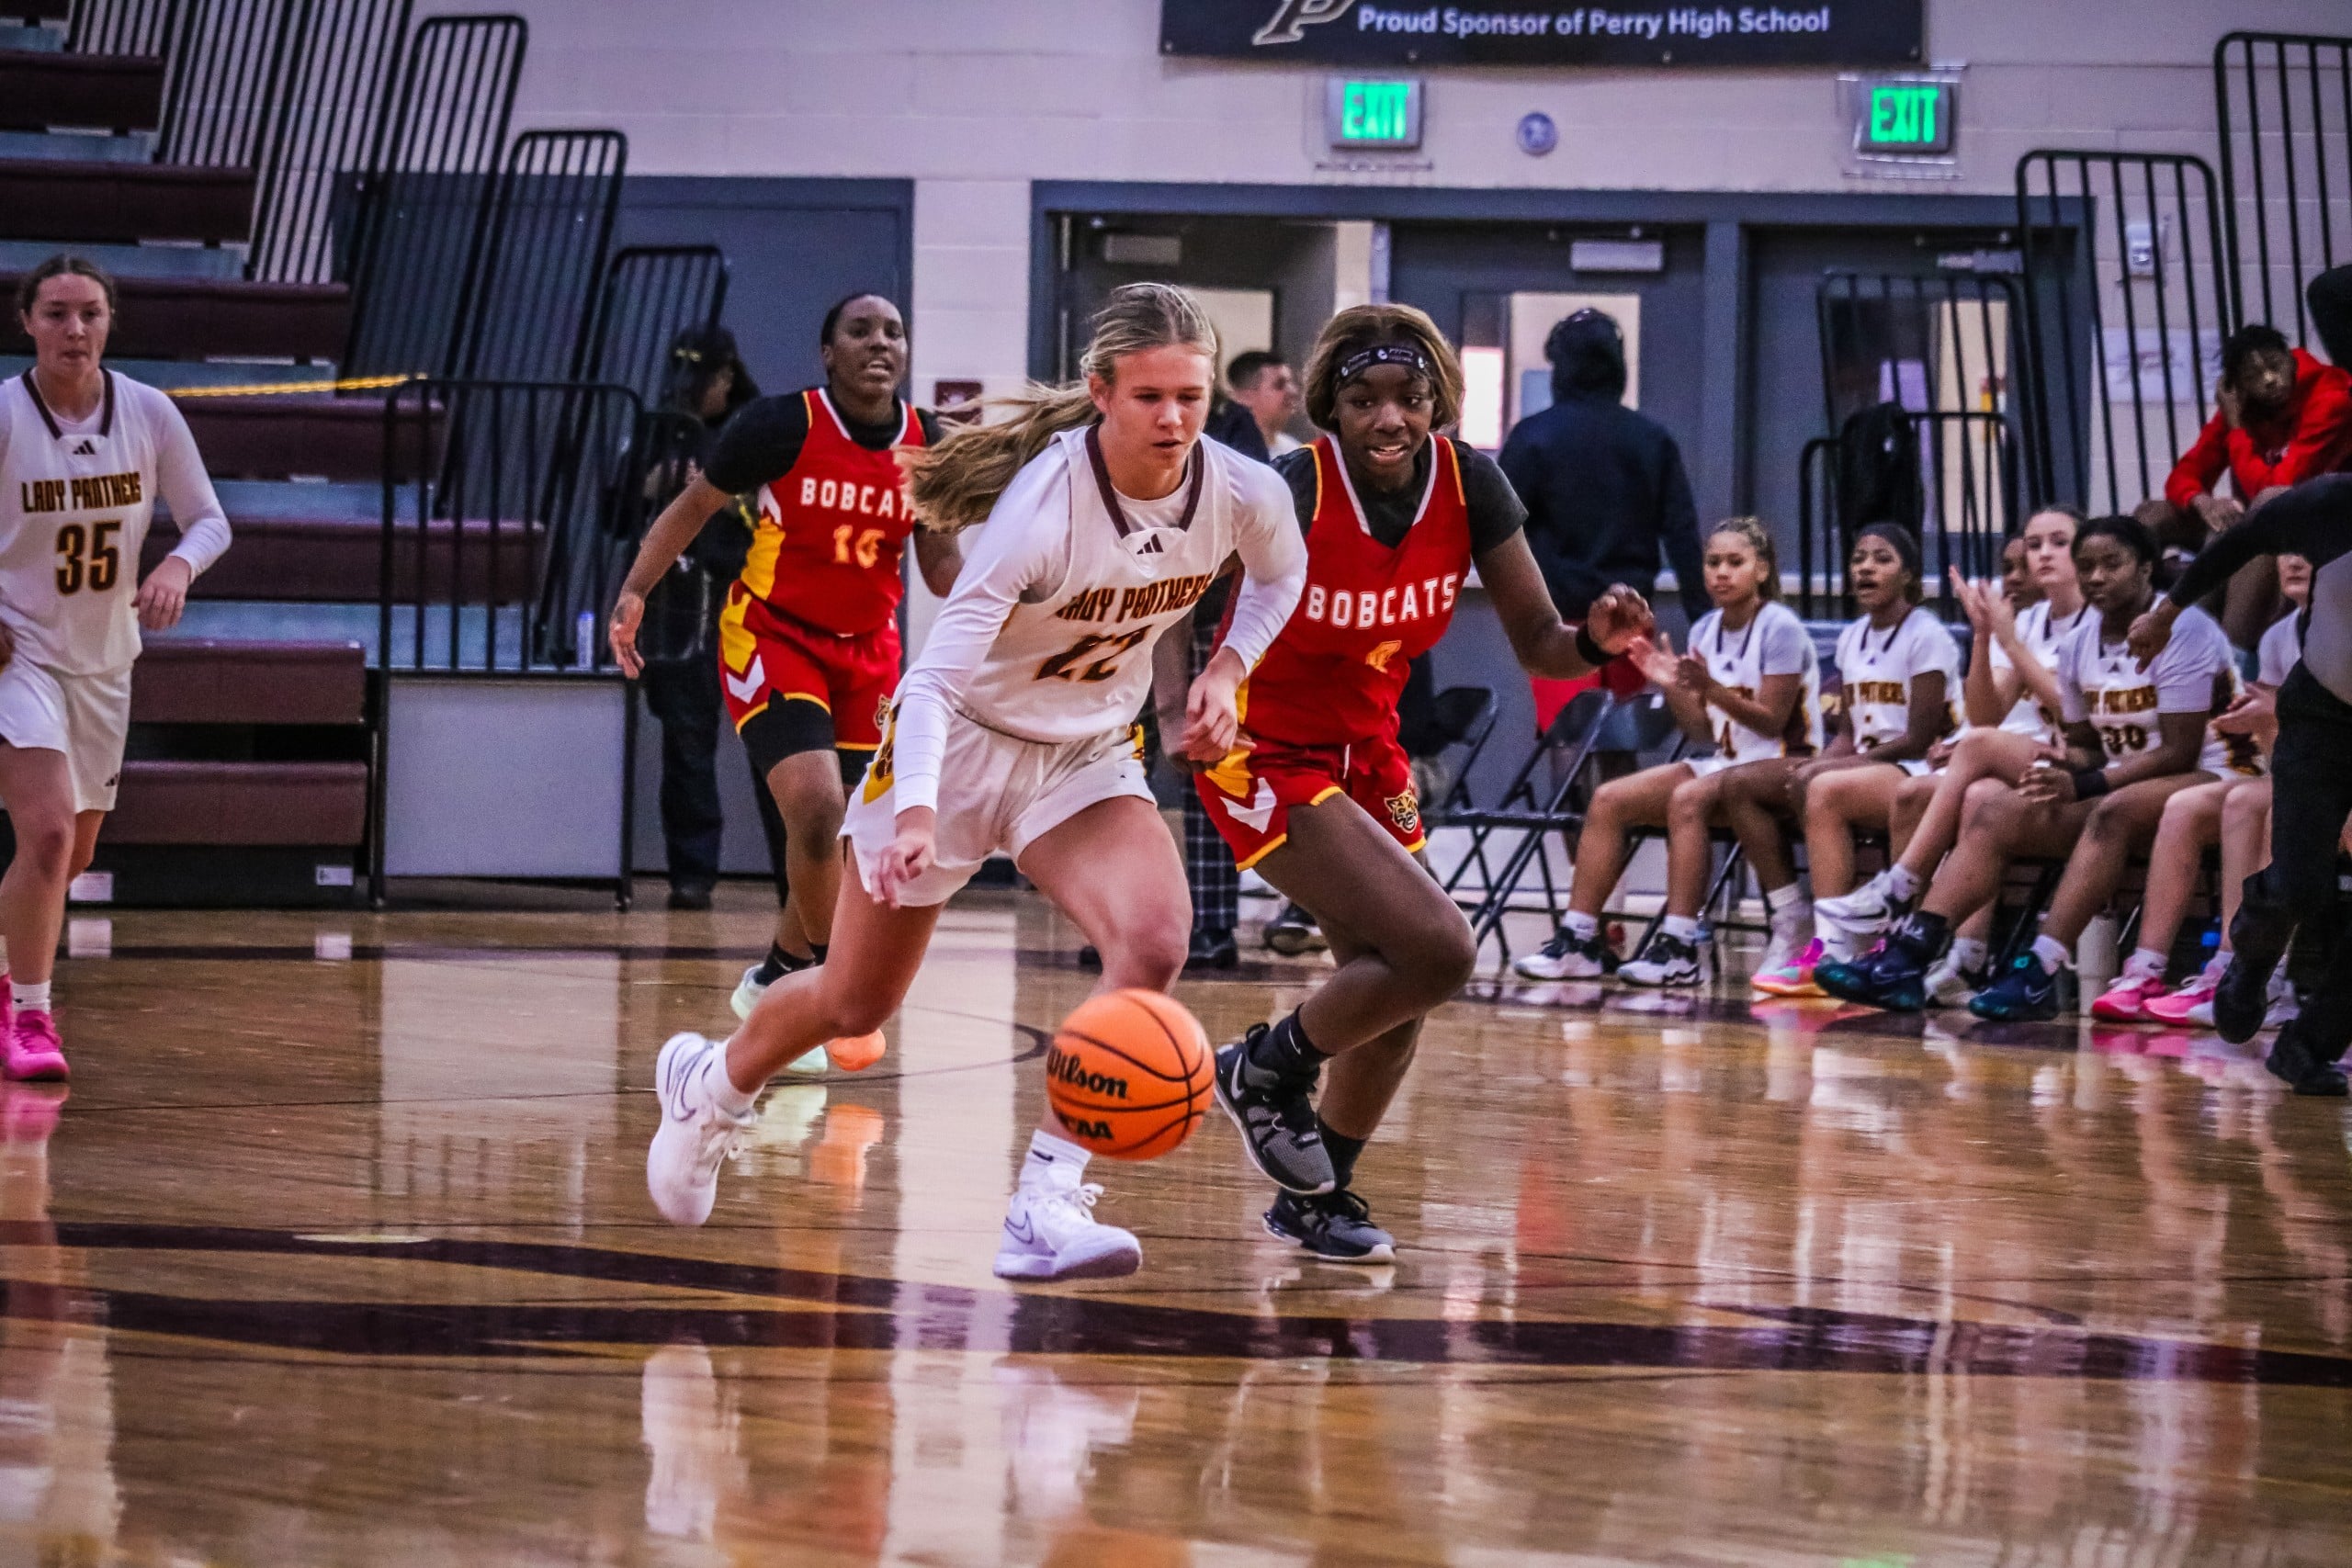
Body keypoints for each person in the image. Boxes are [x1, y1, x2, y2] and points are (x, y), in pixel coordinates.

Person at [641, 283, 1308, 1280]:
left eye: (1191, 397)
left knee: (1155, 938)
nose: (1174, 420)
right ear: (1100, 392)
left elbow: (1281, 573)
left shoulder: (1242, 489)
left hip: (1082, 754)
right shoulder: (1043, 506)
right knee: (853, 1004)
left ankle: (1042, 1202)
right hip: (957, 747)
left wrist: (1224, 672)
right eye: (1149, 397)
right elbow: (933, 681)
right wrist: (914, 810)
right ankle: (712, 1086)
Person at [1183, 304, 1649, 1260]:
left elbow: (1541, 645)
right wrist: (1173, 703)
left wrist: (1596, 643)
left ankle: (1317, 1198)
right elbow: (1177, 599)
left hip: (1368, 754)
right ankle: (1262, 1069)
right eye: (1364, 399)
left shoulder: (1471, 482)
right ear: (1331, 407)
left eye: (1409, 396)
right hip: (1264, 750)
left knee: (1397, 992)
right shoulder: (1294, 487)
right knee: (1439, 948)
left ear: (1438, 400)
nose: (1389, 417)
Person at [611, 294, 959, 1072]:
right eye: (860, 331)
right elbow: (693, 506)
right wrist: (635, 590)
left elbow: (939, 564)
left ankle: (777, 974)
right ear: (828, 353)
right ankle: (835, 987)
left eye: (894, 331)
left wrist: (1018, 597)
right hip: (775, 634)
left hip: (869, 653)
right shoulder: (780, 425)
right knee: (818, 807)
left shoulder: (928, 441)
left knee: (844, 836)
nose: (880, 342)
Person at [1818, 515, 2240, 1020]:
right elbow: (2087, 745)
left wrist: (2083, 782)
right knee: (1995, 811)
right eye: (2087, 566)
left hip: (2213, 772)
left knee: (2113, 810)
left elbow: (2178, 752)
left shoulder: (2184, 628)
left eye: (2112, 564)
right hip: (2123, 776)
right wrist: (2063, 765)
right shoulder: (2080, 641)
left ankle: (2039, 968)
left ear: (2146, 568)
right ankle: (1911, 950)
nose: (2097, 577)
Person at [0, 255, 232, 1078]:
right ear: (27, 322)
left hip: (104, 659)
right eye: (56, 313)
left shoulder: (149, 411)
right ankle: (31, 1017)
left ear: (109, 322)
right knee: (47, 831)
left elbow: (209, 520)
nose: (75, 329)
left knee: (72, 855)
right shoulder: (5, 414)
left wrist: (176, 567)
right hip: (19, 653)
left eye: (90, 313)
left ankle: (8, 972)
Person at [1513, 518, 1820, 987]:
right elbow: (1702, 730)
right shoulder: (1705, 629)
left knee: (1687, 798)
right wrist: (1672, 686)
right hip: (1727, 763)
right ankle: (1580, 940)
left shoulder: (1781, 628)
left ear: (1762, 570)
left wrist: (1710, 688)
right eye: (1713, 562)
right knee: (1610, 799)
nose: (1721, 572)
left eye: (1735, 562)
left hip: (1787, 766)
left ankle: (1680, 945)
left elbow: (1772, 721)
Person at [2128, 471, 2352, 1092]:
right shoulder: (2334, 504)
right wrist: (2167, 613)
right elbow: (2242, 539)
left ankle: (2306, 1048)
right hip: (2323, 719)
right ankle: (2250, 956)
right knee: (2299, 884)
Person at [1725, 525, 1958, 998]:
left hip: (1928, 768)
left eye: (1882, 559)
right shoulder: (1852, 637)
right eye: (1858, 558)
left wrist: (1830, 771)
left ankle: (1832, 945)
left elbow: (1918, 739)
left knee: (1825, 790)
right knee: (1785, 782)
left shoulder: (1927, 635)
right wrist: (1818, 764)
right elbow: (1849, 734)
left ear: (1909, 576)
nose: (1866, 568)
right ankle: (1812, 928)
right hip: (1875, 765)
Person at [2095, 553, 2308, 1023]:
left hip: (2334, 782)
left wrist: (2279, 715)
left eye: (2309, 550)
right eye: (2287, 550)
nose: (2295, 560)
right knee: (2185, 806)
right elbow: (2280, 759)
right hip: (2305, 778)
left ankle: (2256, 977)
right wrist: (2264, 724)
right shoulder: (2279, 636)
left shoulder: (2342, 632)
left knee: (2251, 802)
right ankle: (2150, 968)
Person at [633, 324, 787, 912]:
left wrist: (719, 496)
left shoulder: (758, 429)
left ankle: (796, 877)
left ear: (727, 376)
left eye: (701, 379)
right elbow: (615, 513)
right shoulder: (660, 430)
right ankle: (691, 875)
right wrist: (651, 486)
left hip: (750, 604)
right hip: (681, 611)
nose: (688, 391)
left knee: (775, 747)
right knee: (687, 744)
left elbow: (778, 514)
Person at [2141, 323, 2352, 647]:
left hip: (2327, 524)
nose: (2269, 379)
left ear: (2290, 360)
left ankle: (2233, 654)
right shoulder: (2243, 406)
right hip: (2266, 519)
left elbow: (2278, 490)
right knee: (2152, 514)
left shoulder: (2330, 398)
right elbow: (2184, 474)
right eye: (2254, 376)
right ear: (2237, 385)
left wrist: (2237, 429)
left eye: (2275, 366)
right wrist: (2203, 501)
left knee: (2266, 510)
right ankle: (2131, 630)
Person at [1224, 350, 1303, 455]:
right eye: (1279, 384)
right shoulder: (1226, 454)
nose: (1293, 391)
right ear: (1246, 397)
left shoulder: (1295, 451)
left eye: (1290, 383)